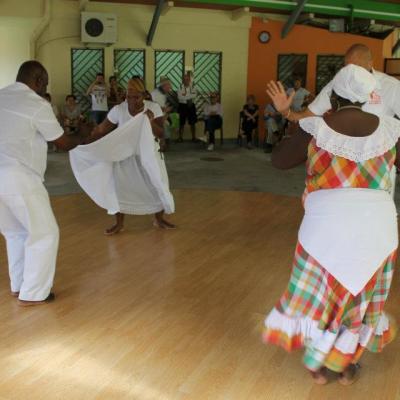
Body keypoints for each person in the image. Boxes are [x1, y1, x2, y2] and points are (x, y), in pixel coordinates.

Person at [263, 65, 400, 385]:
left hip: (325, 228)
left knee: (323, 295)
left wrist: (289, 118)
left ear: (333, 96)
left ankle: (319, 362)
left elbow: (280, 161)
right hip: (377, 228)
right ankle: (345, 364)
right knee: (360, 297)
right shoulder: (391, 130)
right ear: (368, 98)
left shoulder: (315, 127)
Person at [0, 61, 86, 306]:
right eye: (45, 83)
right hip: (20, 177)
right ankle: (34, 292)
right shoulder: (36, 104)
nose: (45, 88)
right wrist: (82, 134)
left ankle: (19, 285)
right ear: (37, 80)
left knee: (15, 233)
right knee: (45, 232)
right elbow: (62, 143)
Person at [267, 44, 400, 198]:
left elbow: (281, 160)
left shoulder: (392, 88)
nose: (351, 73)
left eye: (357, 67)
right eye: (347, 67)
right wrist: (286, 112)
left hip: (374, 179)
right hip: (338, 175)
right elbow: (306, 117)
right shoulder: (337, 84)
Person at [78, 77, 175, 235]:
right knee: (118, 189)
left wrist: (149, 121)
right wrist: (82, 139)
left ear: (143, 95)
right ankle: (119, 223)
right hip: (124, 156)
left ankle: (159, 218)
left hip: (148, 155)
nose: (131, 100)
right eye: (128, 96)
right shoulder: (119, 110)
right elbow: (102, 130)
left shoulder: (153, 108)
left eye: (135, 96)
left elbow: (162, 133)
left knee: (158, 184)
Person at [177, 73, 198, 142]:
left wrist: (185, 96)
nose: (186, 81)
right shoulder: (180, 87)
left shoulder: (193, 87)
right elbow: (179, 97)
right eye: (185, 79)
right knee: (181, 122)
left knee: (193, 122)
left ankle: (194, 137)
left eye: (187, 79)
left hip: (191, 106)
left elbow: (195, 95)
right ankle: (180, 138)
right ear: (183, 80)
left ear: (189, 80)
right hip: (182, 106)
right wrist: (189, 96)